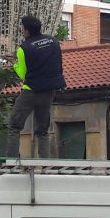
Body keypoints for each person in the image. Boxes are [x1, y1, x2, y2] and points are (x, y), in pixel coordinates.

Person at [6, 15, 66, 159]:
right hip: (49, 92)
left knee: (14, 126)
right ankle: (44, 162)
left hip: (30, 92)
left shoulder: (24, 49)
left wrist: (13, 63)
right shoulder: (53, 41)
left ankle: (11, 161)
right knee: (43, 129)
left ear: (26, 30)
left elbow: (23, 74)